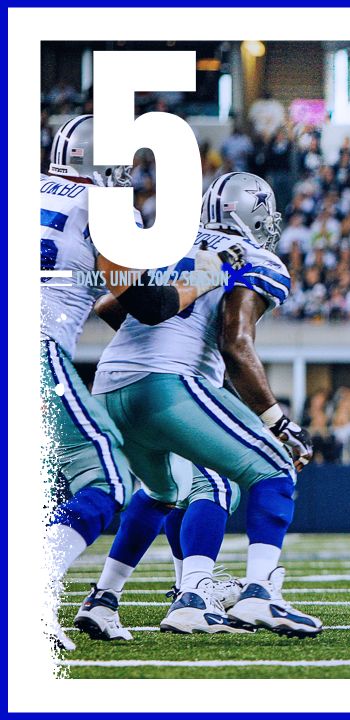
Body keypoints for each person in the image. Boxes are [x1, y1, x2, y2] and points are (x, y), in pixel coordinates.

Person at [76, 172, 319, 638]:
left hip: (109, 385)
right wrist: (278, 421)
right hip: (170, 385)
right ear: (252, 215)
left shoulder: (171, 245)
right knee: (271, 468)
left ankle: (104, 598)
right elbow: (236, 344)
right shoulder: (252, 256)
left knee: (162, 492)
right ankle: (251, 594)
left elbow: (109, 307)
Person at [40, 115, 238, 650]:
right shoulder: (104, 209)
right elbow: (149, 307)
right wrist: (205, 275)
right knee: (106, 480)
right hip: (35, 348)